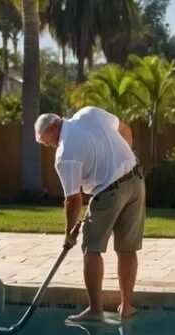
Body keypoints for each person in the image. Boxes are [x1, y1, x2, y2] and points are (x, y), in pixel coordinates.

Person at [35, 107, 145, 322]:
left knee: (91, 248)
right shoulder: (89, 113)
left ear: (53, 127)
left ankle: (96, 311)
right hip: (136, 179)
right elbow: (125, 129)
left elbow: (72, 199)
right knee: (127, 248)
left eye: (47, 141)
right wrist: (118, 164)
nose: (49, 146)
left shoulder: (65, 153)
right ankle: (126, 307)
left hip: (109, 191)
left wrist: (68, 233)